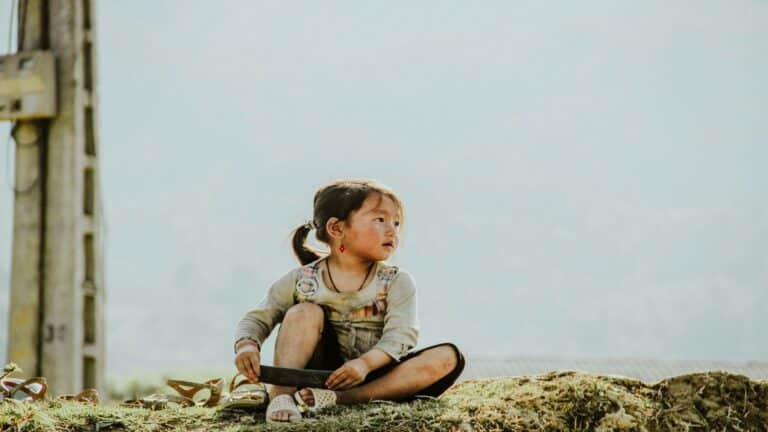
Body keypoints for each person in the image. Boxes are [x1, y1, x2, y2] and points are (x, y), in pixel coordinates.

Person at [233, 179, 465, 423]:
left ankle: (342, 398)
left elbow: (401, 336)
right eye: (380, 220)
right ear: (337, 229)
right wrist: (247, 346)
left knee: (449, 356)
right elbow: (258, 318)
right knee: (303, 312)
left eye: (396, 223)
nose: (392, 231)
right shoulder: (302, 280)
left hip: (375, 373)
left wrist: (364, 365)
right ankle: (282, 395)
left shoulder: (396, 281)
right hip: (319, 373)